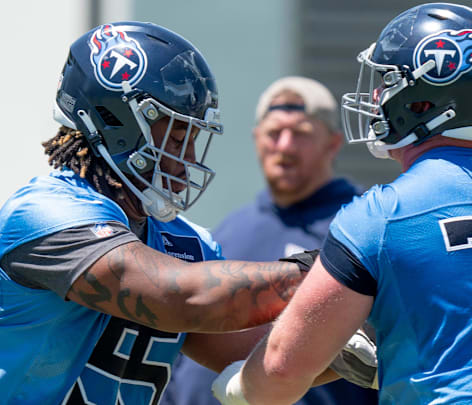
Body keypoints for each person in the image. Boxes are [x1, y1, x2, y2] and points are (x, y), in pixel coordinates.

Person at [212, 3, 472, 404]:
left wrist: (235, 386)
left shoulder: (383, 215)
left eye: (388, 81)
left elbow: (282, 368)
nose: (377, 95)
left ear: (423, 101)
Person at [0, 22, 315, 405]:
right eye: (178, 136)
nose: (188, 158)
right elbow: (179, 296)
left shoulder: (186, 244)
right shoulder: (44, 214)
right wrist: (322, 271)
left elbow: (263, 358)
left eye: (194, 138)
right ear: (117, 124)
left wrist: (354, 332)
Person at [160, 77, 378, 405]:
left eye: (301, 134)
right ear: (257, 139)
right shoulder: (226, 233)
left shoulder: (362, 224)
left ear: (332, 144)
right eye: (274, 133)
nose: (285, 146)